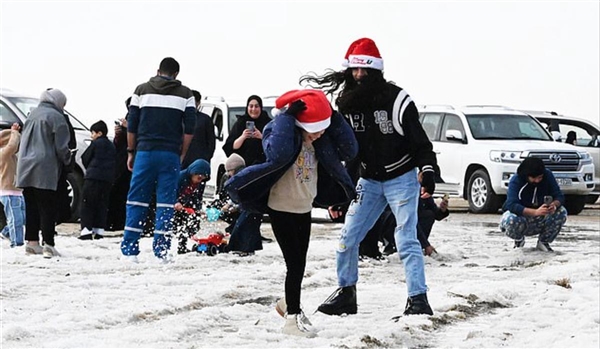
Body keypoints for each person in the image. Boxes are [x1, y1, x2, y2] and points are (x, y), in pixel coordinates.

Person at [301, 38, 438, 316]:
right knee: (347, 238)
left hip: (402, 178)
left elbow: (419, 142)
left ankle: (418, 300)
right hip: (369, 181)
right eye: (355, 70)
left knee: (407, 239)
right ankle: (346, 293)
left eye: (365, 70)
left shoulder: (398, 100)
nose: (360, 75)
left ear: (377, 71)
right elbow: (346, 151)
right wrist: (340, 192)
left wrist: (427, 170)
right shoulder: (346, 103)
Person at [225, 89, 358, 337]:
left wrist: (333, 115)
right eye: (315, 128)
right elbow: (278, 153)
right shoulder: (283, 138)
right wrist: (287, 116)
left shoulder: (321, 144)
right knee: (294, 265)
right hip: (281, 209)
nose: (319, 133)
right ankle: (291, 319)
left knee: (300, 263)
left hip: (303, 209)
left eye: (322, 128)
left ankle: (288, 304)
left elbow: (350, 149)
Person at [121, 57, 196, 262]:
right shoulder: (186, 94)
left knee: (136, 200)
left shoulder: (141, 90)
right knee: (165, 203)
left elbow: (132, 124)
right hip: (170, 154)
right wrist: (181, 153)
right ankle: (161, 252)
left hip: (144, 152)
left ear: (158, 71)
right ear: (176, 74)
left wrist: (130, 152)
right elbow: (189, 129)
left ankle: (130, 251)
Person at [16, 88, 72, 258]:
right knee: (48, 206)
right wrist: (69, 159)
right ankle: (48, 244)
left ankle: (32, 243)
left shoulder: (31, 115)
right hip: (45, 167)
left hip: (25, 166)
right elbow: (62, 147)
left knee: (31, 205)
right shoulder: (57, 117)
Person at [222, 95, 272, 253]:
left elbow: (275, 146)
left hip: (262, 169)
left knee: (254, 206)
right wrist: (243, 136)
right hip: (243, 170)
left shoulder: (268, 123)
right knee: (246, 205)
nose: (253, 109)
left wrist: (261, 136)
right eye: (251, 106)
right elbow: (230, 147)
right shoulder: (240, 123)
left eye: (256, 106)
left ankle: (249, 238)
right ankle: (244, 238)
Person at [500, 157, 567, 252]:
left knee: (561, 212)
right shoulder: (516, 180)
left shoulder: (548, 175)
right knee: (510, 220)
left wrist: (554, 205)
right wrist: (535, 212)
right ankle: (519, 240)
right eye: (534, 178)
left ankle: (543, 242)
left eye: (540, 178)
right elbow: (511, 204)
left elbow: (559, 196)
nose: (537, 181)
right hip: (522, 217)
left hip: (541, 217)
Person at [78, 121, 116, 240]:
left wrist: (90, 169)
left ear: (99, 133)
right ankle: (99, 230)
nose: (91, 135)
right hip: (107, 179)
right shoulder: (111, 145)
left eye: (93, 133)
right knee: (102, 204)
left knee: (87, 203)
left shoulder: (95, 144)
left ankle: (86, 231)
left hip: (93, 177)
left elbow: (85, 157)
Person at [106, 97, 132, 231]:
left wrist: (129, 129)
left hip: (133, 161)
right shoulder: (129, 117)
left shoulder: (142, 120)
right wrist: (119, 133)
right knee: (116, 191)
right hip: (122, 159)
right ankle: (113, 221)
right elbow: (119, 143)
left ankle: (120, 222)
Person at [175, 159, 210, 254]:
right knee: (179, 223)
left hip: (186, 205)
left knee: (192, 223)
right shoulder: (180, 177)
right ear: (193, 173)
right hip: (176, 204)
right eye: (199, 177)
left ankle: (183, 245)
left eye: (202, 179)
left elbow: (197, 197)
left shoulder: (198, 183)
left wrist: (198, 209)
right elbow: (171, 191)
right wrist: (175, 202)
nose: (200, 180)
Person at [0, 123, 25, 248]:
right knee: (16, 219)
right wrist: (14, 132)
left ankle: (6, 232)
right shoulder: (3, 153)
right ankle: (17, 243)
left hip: (17, 190)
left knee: (22, 217)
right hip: (8, 191)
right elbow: (12, 145)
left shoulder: (11, 156)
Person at [182, 90, 216, 169]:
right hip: (182, 161)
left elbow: (211, 142)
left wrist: (206, 158)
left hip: (199, 161)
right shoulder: (179, 117)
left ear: (198, 103)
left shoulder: (205, 119)